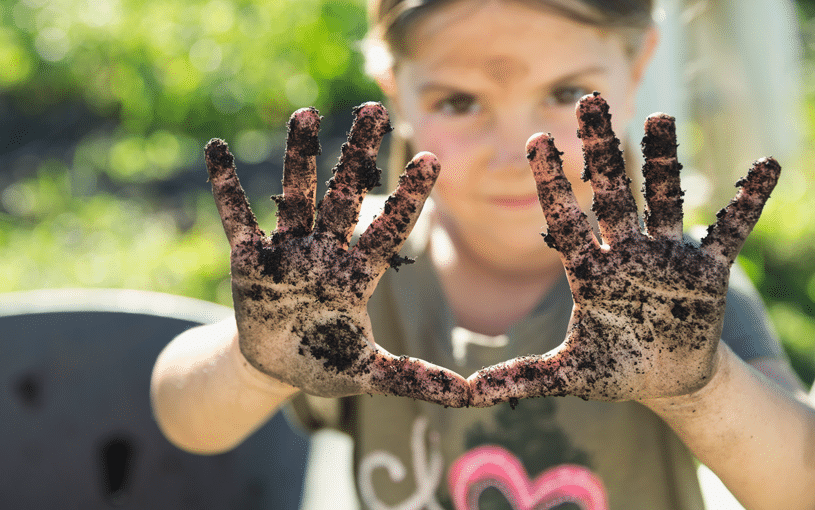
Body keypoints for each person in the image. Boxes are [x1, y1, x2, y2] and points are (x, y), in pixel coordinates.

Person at [150, 1, 815, 509]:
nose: (518, 151)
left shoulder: (676, 294)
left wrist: (704, 388)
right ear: (392, 81)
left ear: (639, 65)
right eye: (460, 101)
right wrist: (257, 361)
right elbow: (185, 419)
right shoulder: (349, 274)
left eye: (566, 95)